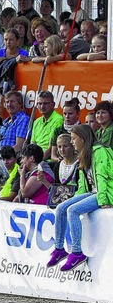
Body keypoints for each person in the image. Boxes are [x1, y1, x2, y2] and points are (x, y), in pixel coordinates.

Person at [47, 125, 113, 272]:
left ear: (82, 139)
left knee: (73, 211)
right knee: (61, 208)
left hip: (105, 193)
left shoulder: (100, 151)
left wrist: (104, 200)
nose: (72, 142)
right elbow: (83, 183)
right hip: (92, 192)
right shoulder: (85, 153)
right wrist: (76, 198)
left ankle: (77, 252)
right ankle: (59, 248)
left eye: (73, 138)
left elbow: (104, 177)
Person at [30, 90, 63, 160]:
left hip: (48, 161)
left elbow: (51, 148)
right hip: (35, 160)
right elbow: (32, 145)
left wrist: (37, 162)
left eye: (45, 103)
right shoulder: (36, 122)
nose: (42, 106)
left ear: (53, 104)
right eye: (39, 103)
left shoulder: (58, 120)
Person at [49, 98, 81, 162]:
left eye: (70, 114)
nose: (67, 116)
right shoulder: (58, 130)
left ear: (78, 114)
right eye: (64, 114)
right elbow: (53, 156)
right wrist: (60, 160)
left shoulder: (82, 130)